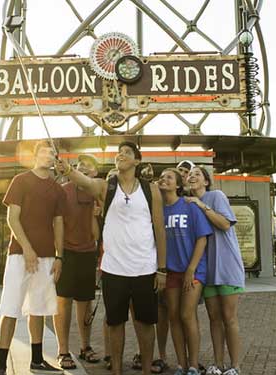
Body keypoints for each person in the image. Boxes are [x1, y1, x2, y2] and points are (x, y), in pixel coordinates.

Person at [55, 141, 167, 375]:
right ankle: (116, 370)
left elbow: (160, 230)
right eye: (119, 152)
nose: (121, 154)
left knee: (145, 323)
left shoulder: (151, 190)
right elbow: (85, 181)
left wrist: (162, 269)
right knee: (115, 323)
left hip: (144, 268)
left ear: (137, 161)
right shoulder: (107, 187)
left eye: (127, 152)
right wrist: (68, 170)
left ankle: (146, 370)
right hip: (114, 269)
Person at [0, 140, 65, 375]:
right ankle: (1, 366)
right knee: (11, 308)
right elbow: (12, 218)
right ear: (35, 156)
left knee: (39, 309)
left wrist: (59, 256)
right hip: (19, 255)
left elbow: (58, 223)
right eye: (45, 151)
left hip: (46, 257)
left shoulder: (58, 189)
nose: (49, 155)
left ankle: (36, 360)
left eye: (53, 152)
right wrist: (27, 248)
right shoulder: (21, 180)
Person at [186, 166, 244, 375]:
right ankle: (218, 364)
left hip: (226, 266)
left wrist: (202, 205)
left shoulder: (215, 196)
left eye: (197, 174)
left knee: (229, 317)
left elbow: (225, 224)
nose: (191, 176)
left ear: (206, 182)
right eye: (189, 174)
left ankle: (235, 366)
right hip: (207, 270)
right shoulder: (188, 203)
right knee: (213, 318)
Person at [158, 168, 212, 375]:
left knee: (186, 314)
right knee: (173, 316)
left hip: (194, 270)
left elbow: (202, 238)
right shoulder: (159, 210)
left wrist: (191, 268)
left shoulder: (189, 206)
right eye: (162, 177)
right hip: (171, 272)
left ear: (178, 185)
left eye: (169, 177)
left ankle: (193, 365)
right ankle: (181, 364)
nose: (164, 179)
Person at [54, 154, 101, 370]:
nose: (82, 167)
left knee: (85, 303)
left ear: (95, 174)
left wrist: (94, 214)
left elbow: (96, 235)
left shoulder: (97, 194)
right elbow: (57, 225)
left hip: (88, 253)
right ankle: (63, 350)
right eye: (79, 164)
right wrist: (59, 255)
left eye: (88, 166)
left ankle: (85, 347)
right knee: (63, 302)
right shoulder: (63, 191)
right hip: (67, 252)